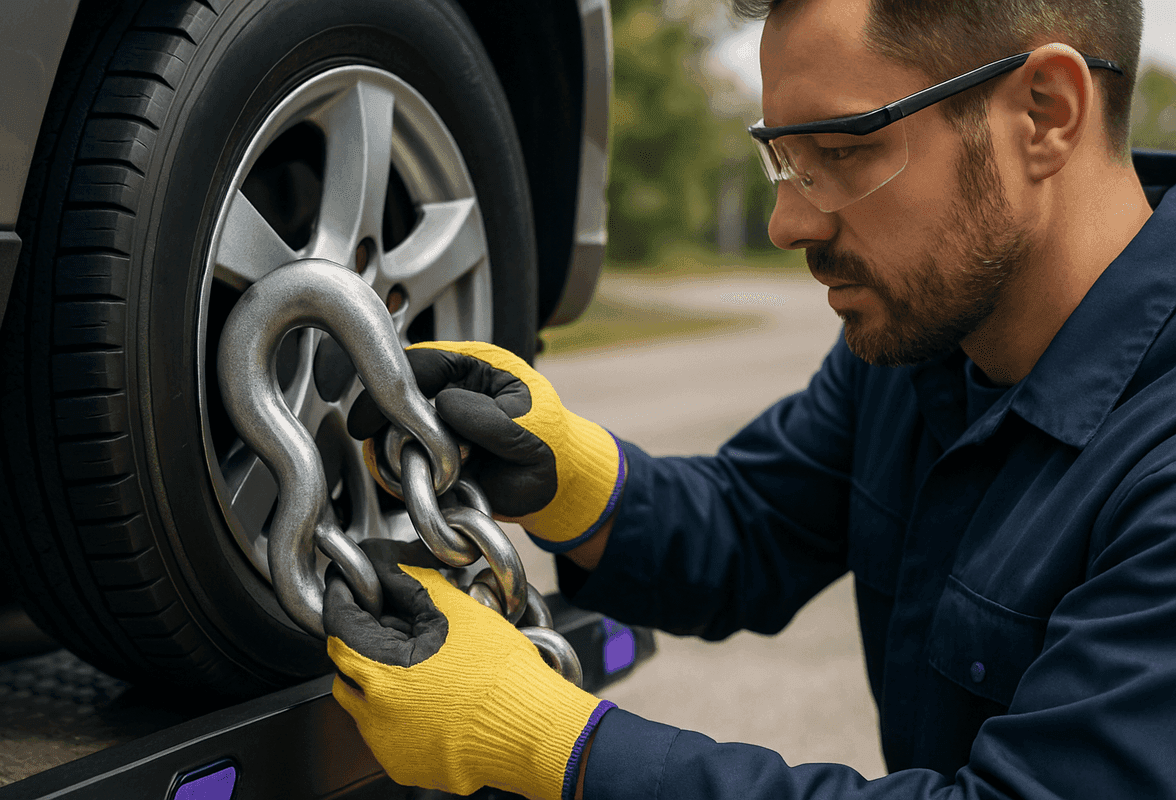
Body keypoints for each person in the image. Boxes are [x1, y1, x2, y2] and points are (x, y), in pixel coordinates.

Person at [324, 0, 1176, 797]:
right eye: (784, 158)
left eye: (839, 153)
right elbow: (753, 525)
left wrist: (554, 748)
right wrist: (571, 474)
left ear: (1045, 113)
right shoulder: (929, 339)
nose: (787, 224)